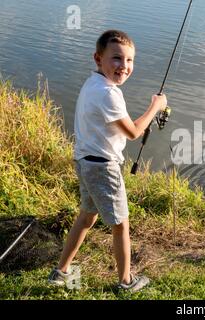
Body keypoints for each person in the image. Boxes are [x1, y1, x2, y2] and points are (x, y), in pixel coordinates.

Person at [48, 30, 167, 293]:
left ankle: (61, 272)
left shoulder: (94, 83)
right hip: (102, 167)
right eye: (116, 58)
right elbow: (134, 132)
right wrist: (155, 107)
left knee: (87, 217)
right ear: (98, 58)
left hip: (85, 161)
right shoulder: (108, 94)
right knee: (121, 223)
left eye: (129, 60)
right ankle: (126, 282)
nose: (123, 66)